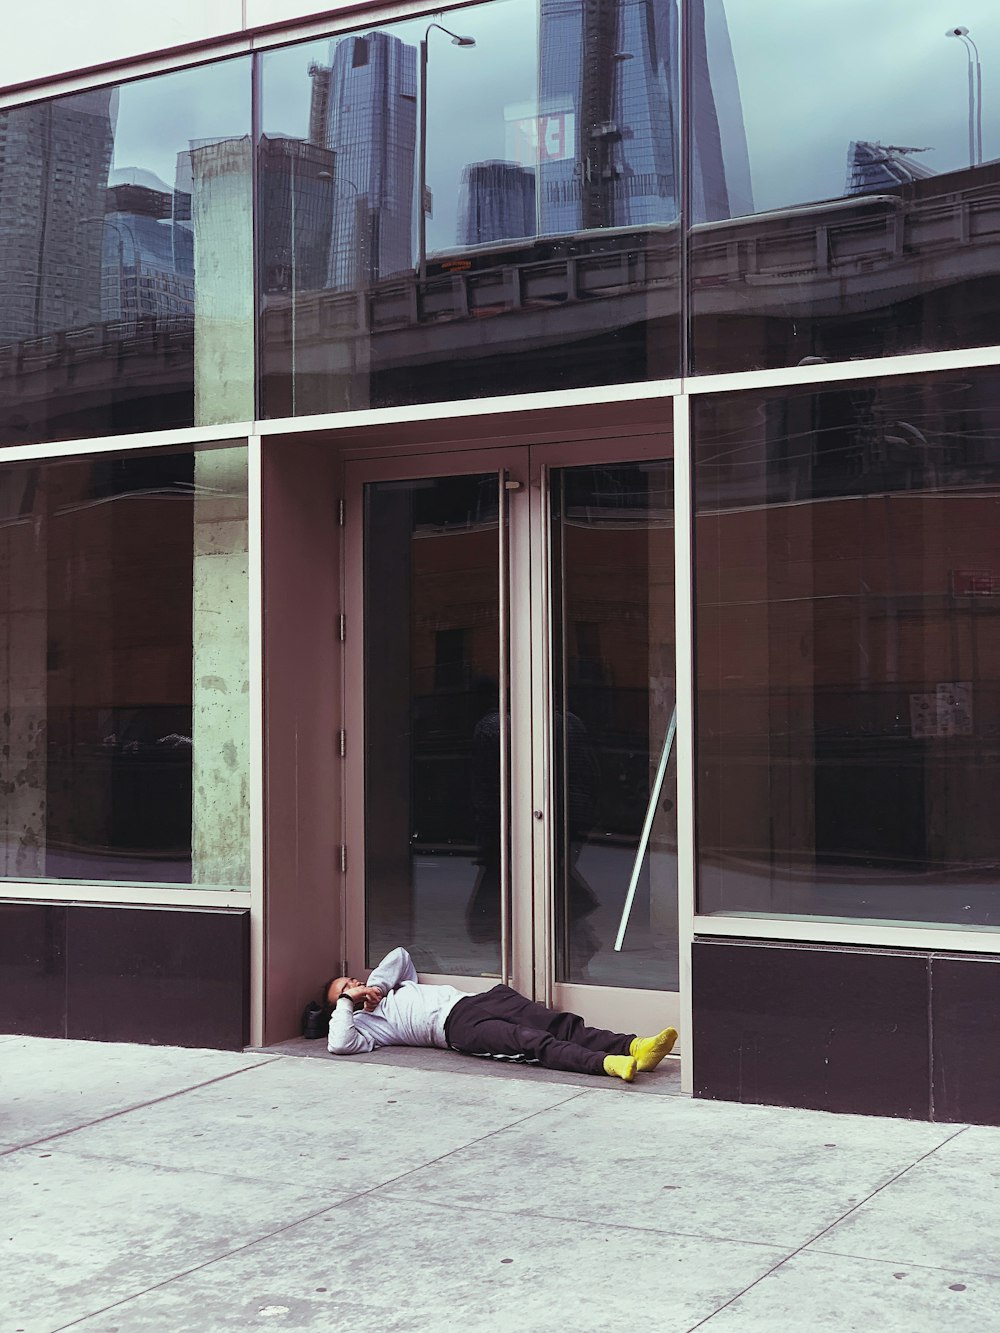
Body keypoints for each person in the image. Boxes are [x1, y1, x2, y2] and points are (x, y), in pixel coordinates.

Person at [324, 947, 677, 1083]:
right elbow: (338, 1045)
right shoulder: (366, 1028)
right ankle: (605, 1063)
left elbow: (400, 955)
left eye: (352, 978)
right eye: (345, 986)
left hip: (480, 999)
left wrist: (377, 988)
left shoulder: (386, 988)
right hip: (457, 1028)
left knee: (557, 1022)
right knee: (532, 1043)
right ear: (341, 1004)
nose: (354, 983)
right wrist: (347, 1002)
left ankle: (635, 1047)